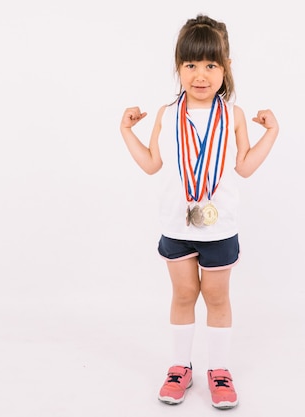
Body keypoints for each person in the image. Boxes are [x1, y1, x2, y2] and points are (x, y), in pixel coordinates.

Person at [120, 14, 279, 409]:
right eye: (190, 64)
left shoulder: (234, 116)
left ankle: (219, 371)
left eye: (210, 64)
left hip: (220, 227)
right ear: (178, 68)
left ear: (225, 69)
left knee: (217, 298)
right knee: (184, 293)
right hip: (176, 224)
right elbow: (153, 163)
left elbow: (243, 166)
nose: (200, 74)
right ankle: (180, 367)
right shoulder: (167, 114)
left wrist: (272, 133)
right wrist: (126, 132)